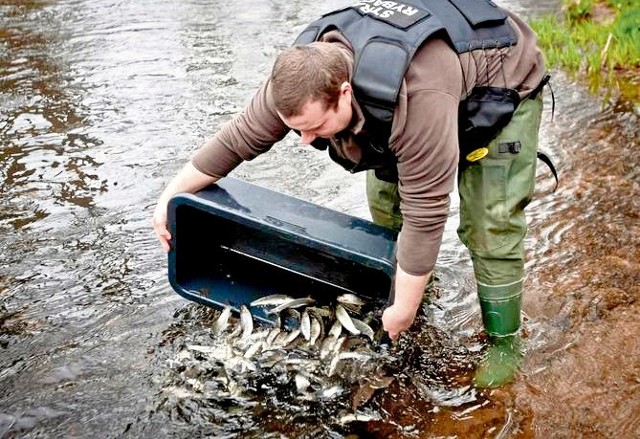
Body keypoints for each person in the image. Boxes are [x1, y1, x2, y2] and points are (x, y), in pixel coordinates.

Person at [152, 0, 549, 388]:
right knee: (384, 207)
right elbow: (236, 140)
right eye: (297, 129)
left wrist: (405, 312)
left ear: (343, 93)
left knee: (490, 225)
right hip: (413, 102)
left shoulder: (417, 93)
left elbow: (426, 211)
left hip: (500, 88)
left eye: (315, 126)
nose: (306, 141)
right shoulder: (299, 80)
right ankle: (411, 288)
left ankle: (504, 342)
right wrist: (168, 198)